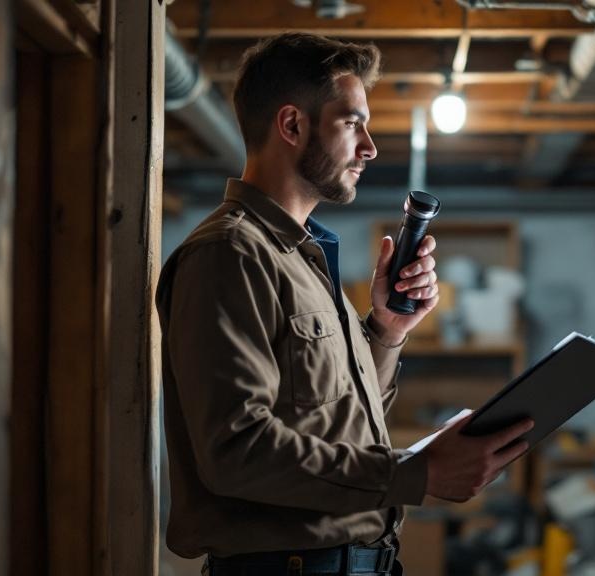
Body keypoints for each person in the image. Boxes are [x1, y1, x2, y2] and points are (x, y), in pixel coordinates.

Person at [155, 32, 534, 576]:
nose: (370, 147)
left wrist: (387, 330)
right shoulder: (230, 254)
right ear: (292, 125)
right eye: (353, 123)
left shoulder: (302, 257)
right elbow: (236, 451)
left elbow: (336, 418)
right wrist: (417, 473)